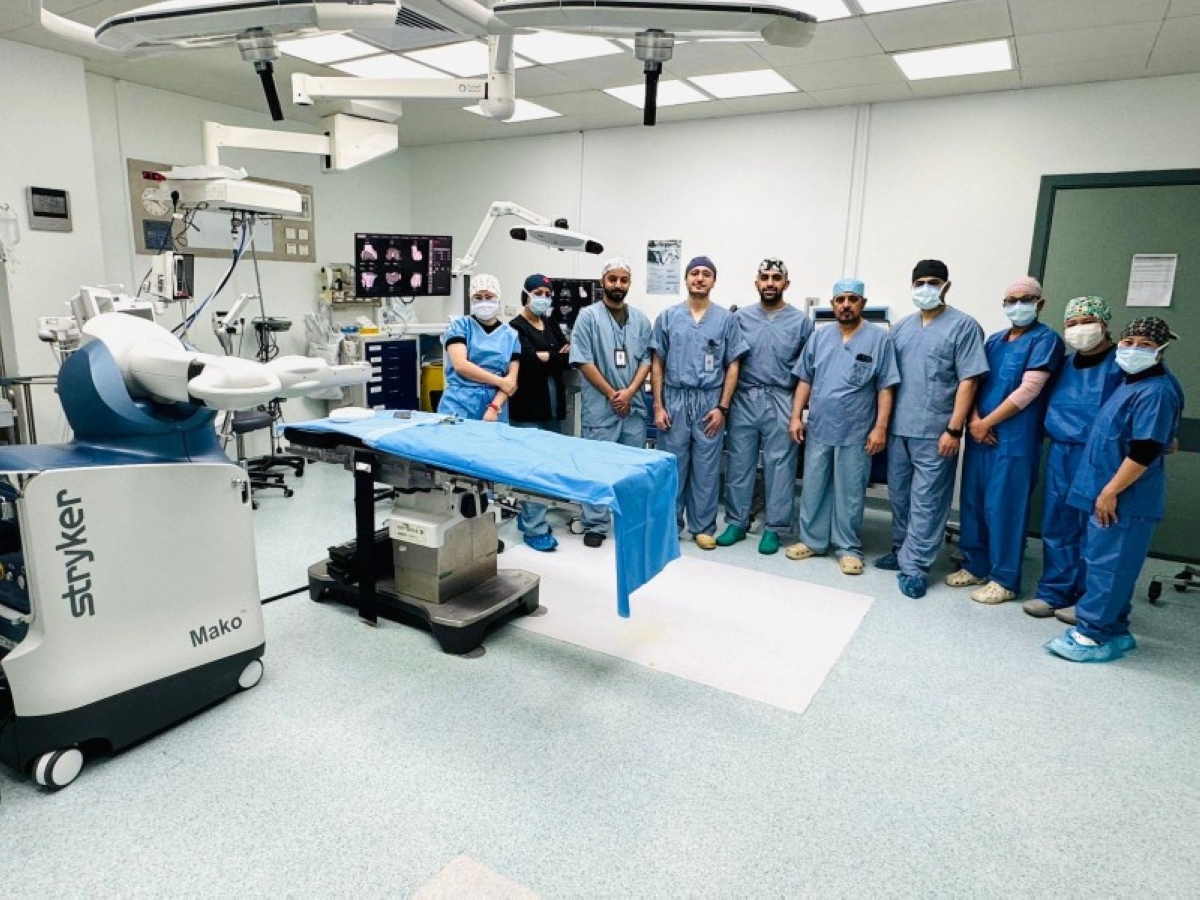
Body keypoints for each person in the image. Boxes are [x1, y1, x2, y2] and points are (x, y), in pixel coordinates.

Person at [1045, 316, 1183, 662]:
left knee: (1110, 567)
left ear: (1162, 350)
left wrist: (1110, 492)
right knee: (1105, 563)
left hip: (1126, 496)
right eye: (1129, 342)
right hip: (1111, 488)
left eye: (1146, 345)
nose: (1134, 349)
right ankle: (1117, 630)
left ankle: (1091, 635)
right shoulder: (1130, 381)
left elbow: (1145, 450)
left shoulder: (1156, 391)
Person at [875, 259, 989, 599]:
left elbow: (969, 381)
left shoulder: (964, 326)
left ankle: (916, 567)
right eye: (920, 283)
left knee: (928, 501)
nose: (926, 288)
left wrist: (954, 430)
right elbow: (888, 380)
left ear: (946, 286)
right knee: (900, 496)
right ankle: (900, 550)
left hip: (937, 430)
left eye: (933, 282)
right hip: (900, 428)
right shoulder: (901, 329)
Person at [948, 277, 1065, 604]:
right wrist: (973, 419)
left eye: (1025, 299)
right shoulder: (994, 341)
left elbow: (1029, 390)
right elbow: (974, 382)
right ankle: (975, 565)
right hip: (980, 435)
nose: (1017, 305)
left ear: (1040, 304)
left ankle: (1004, 578)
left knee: (1005, 508)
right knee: (974, 502)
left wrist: (986, 422)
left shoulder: (1046, 340)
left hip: (1014, 439)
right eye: (1011, 300)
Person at [786, 279, 900, 574]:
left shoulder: (879, 340)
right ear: (833, 304)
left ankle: (848, 547)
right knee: (813, 487)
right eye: (840, 300)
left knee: (850, 492)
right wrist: (796, 416)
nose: (846, 305)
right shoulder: (819, 338)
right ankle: (812, 541)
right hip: (820, 427)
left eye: (852, 299)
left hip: (856, 429)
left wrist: (880, 428)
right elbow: (805, 379)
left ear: (863, 303)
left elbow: (886, 387)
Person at [1023, 296, 1124, 621]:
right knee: (1058, 524)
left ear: (1104, 324)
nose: (1080, 329)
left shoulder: (1123, 364)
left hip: (1102, 457)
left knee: (1096, 529)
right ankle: (1054, 592)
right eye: (1072, 323)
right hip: (1062, 453)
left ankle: (1089, 600)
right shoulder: (1063, 366)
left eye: (1087, 322)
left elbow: (1153, 402)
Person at [651, 256, 749, 550]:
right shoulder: (668, 317)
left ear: (713, 281)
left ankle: (703, 527)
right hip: (675, 399)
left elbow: (733, 364)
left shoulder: (726, 320)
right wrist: (658, 406)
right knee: (672, 466)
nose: (700, 278)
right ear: (686, 279)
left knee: (706, 469)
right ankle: (669, 525)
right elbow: (657, 362)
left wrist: (722, 408)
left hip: (709, 402)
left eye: (706, 273)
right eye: (694, 273)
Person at [716, 258, 812, 555]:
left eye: (776, 278)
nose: (770, 283)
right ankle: (736, 521)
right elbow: (729, 362)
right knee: (739, 463)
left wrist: (798, 413)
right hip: (744, 398)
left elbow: (807, 372)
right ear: (757, 283)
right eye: (765, 277)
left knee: (780, 467)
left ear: (786, 283)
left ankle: (774, 527)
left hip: (782, 398)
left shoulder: (801, 323)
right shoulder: (740, 318)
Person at [569, 257, 653, 548]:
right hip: (601, 408)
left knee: (631, 469)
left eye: (623, 280)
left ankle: (630, 521)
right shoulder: (588, 317)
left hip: (632, 407)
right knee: (597, 466)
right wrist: (612, 394)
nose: (618, 284)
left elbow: (647, 360)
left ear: (629, 284)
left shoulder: (640, 320)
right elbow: (583, 360)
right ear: (602, 281)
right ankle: (595, 523)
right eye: (612, 279)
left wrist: (629, 392)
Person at [508, 273, 570, 552]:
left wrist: (548, 356)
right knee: (532, 469)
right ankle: (534, 528)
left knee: (548, 466)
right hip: (527, 409)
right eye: (538, 293)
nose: (543, 298)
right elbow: (528, 362)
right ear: (526, 295)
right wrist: (551, 355)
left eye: (547, 294)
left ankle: (529, 518)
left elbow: (566, 358)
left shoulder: (550, 325)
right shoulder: (515, 327)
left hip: (552, 409)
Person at [437, 273, 520, 423]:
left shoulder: (510, 335)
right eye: (478, 297)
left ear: (498, 298)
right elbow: (461, 365)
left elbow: (511, 381)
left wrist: (494, 407)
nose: (484, 301)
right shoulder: (460, 327)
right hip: (458, 403)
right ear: (471, 299)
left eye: (489, 297)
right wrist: (500, 381)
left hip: (495, 406)